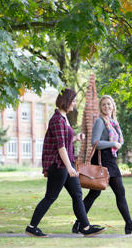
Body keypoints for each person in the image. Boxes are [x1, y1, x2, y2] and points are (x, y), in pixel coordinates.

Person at [25, 88, 105, 237]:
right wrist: (69, 167)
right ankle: (31, 227)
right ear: (66, 101)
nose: (74, 104)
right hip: (59, 165)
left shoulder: (63, 119)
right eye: (73, 101)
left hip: (66, 165)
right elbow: (60, 147)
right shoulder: (56, 120)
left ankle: (85, 227)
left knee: (77, 194)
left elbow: (64, 141)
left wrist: (76, 137)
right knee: (50, 196)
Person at [72, 95, 132, 235]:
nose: (106, 107)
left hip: (110, 159)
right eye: (104, 105)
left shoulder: (113, 122)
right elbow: (95, 142)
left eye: (109, 104)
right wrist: (113, 143)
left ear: (113, 106)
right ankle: (128, 224)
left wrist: (116, 144)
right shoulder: (100, 122)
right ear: (101, 107)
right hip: (102, 160)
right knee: (107, 192)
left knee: (100, 193)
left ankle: (78, 224)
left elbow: (119, 141)